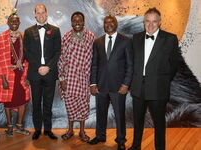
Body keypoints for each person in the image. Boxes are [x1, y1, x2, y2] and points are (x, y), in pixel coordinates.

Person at [128, 8, 181, 150]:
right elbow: (132, 62)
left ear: (160, 22)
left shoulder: (170, 39)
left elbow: (174, 65)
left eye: (154, 21)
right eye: (147, 21)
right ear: (144, 22)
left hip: (158, 89)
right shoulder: (136, 38)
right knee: (137, 121)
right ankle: (136, 145)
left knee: (159, 123)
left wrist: (161, 80)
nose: (150, 25)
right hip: (138, 87)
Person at [89, 15, 133, 150]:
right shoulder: (97, 42)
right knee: (100, 113)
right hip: (101, 86)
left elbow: (130, 65)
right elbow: (94, 64)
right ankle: (100, 136)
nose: (108, 24)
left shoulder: (126, 41)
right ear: (103, 25)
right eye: (106, 22)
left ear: (116, 24)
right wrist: (93, 83)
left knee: (119, 115)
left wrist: (126, 84)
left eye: (111, 21)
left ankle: (120, 140)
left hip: (118, 87)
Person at [23, 4, 61, 140]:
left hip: (50, 73)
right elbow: (26, 52)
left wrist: (48, 67)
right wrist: (38, 66)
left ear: (46, 13)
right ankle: (38, 129)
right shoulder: (28, 32)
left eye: (42, 12)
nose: (40, 15)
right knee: (36, 103)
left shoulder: (55, 31)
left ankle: (48, 130)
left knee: (48, 104)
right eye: (38, 13)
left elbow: (58, 51)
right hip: (35, 73)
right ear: (34, 15)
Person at [58, 11, 95, 142]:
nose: (77, 23)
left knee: (83, 105)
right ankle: (70, 130)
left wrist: (92, 81)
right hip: (70, 78)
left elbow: (93, 60)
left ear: (84, 22)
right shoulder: (66, 37)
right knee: (70, 105)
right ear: (71, 22)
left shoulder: (91, 36)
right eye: (75, 20)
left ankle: (82, 131)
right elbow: (61, 60)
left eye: (80, 20)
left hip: (84, 79)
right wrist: (62, 79)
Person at [0, 13, 31, 137]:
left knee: (23, 101)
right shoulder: (0, 38)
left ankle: (19, 126)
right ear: (8, 23)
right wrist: (3, 78)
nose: (14, 23)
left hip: (21, 75)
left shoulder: (25, 37)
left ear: (19, 23)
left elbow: (29, 59)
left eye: (16, 21)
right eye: (11, 21)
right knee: (8, 102)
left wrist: (27, 76)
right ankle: (9, 126)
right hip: (7, 74)